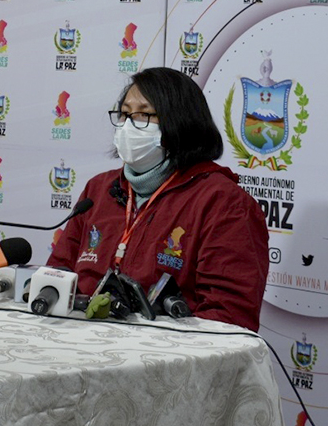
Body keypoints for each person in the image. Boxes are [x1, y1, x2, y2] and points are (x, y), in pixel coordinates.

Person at [47, 67, 269, 330]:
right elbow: (57, 274)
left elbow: (229, 317)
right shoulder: (98, 190)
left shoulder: (223, 202)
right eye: (125, 114)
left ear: (179, 120)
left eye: (143, 114)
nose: (129, 125)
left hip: (165, 360)